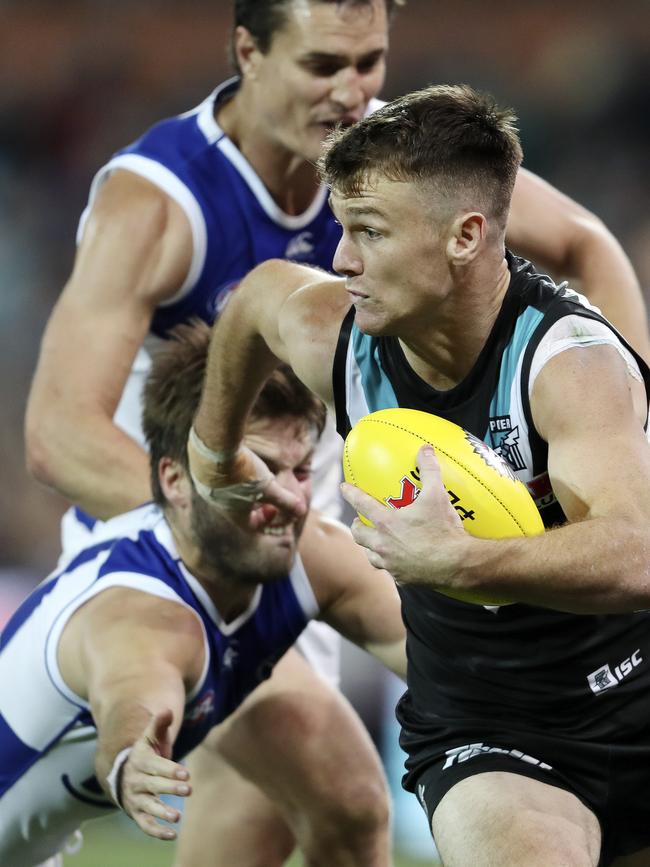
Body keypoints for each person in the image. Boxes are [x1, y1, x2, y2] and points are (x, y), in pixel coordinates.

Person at [23, 0, 649, 859]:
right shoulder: (161, 200)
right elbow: (57, 434)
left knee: (287, 803)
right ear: (247, 51)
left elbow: (582, 241)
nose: (353, 93)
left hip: (349, 518)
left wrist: (626, 408)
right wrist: (221, 487)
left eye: (371, 63)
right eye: (324, 65)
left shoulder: (396, 168)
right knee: (348, 790)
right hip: (201, 546)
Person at [188, 85, 650, 866]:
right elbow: (255, 305)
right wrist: (212, 451)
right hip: (489, 730)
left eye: (369, 231)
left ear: (466, 236)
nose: (342, 259)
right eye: (342, 227)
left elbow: (638, 552)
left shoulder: (569, 364)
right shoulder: (336, 335)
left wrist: (460, 560)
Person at [1, 322, 405, 867]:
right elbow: (134, 698)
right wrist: (130, 758)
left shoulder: (309, 553)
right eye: (256, 469)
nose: (288, 498)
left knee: (352, 799)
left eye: (302, 470)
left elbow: (445, 654)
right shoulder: (141, 615)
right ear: (174, 480)